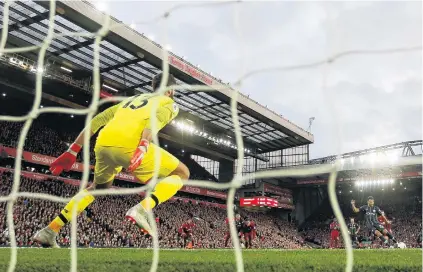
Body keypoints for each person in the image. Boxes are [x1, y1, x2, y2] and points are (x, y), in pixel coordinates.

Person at [33, 73, 190, 248]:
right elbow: (155, 120)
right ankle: (142, 209)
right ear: (171, 90)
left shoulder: (132, 99)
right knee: (182, 173)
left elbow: (98, 119)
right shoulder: (168, 103)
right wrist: (143, 145)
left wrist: (73, 149)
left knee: (97, 188)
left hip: (103, 142)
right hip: (131, 145)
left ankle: (49, 231)